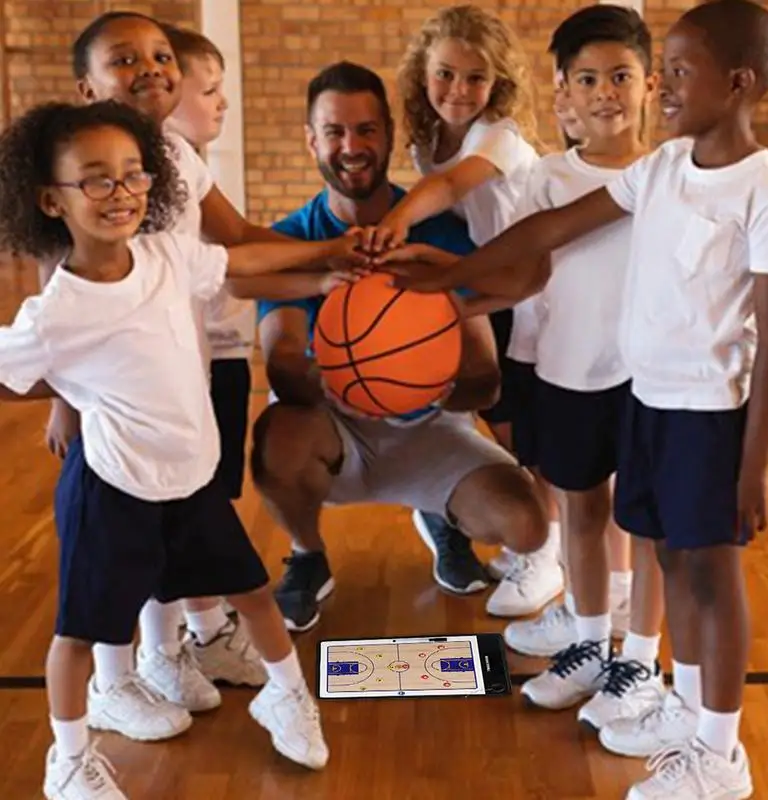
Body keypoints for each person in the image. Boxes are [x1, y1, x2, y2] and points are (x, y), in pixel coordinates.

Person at [392, 2, 768, 797]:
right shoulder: (661, 170)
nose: (665, 86)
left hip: (709, 416)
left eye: (679, 72)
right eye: (668, 70)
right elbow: (547, 234)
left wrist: (753, 470)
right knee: (673, 562)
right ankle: (685, 710)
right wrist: (446, 278)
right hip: (648, 402)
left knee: (712, 578)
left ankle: (721, 756)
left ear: (740, 83)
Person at [0, 101, 360, 797]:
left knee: (254, 593)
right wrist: (60, 392)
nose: (122, 193)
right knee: (82, 634)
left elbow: (240, 259)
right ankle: (69, 758)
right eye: (96, 180)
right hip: (113, 486)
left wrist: (325, 257)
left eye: (134, 175)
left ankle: (286, 697)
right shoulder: (56, 313)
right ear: (51, 199)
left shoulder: (165, 252)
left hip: (189, 478)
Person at [239, 61, 549, 634]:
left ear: (389, 136)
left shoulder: (440, 234)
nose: (351, 146)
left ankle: (442, 518)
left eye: (366, 130)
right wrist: (332, 374)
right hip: (337, 433)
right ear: (311, 140)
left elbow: (484, 379)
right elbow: (282, 363)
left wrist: (431, 377)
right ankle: (308, 556)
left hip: (430, 427)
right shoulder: (289, 239)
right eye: (334, 132)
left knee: (528, 526)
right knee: (278, 436)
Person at [499, 5, 665, 737]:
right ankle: (593, 645)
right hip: (568, 373)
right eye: (589, 79)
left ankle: (644, 657)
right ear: (562, 91)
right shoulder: (543, 179)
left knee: (648, 523)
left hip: (652, 377)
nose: (606, 93)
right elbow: (529, 286)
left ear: (650, 85)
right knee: (584, 513)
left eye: (621, 76)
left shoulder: (671, 175)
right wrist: (524, 376)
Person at [368, 3, 561, 617]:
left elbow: (452, 189)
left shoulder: (496, 136)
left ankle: (547, 556)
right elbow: (456, 213)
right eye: (445, 74)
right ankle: (532, 536)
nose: (458, 89)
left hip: (539, 289)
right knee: (493, 414)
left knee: (526, 432)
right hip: (491, 283)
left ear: (497, 85)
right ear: (423, 74)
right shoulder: (430, 139)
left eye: (475, 78)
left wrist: (397, 220)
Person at [161, 22, 265, 690]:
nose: (221, 103)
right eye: (209, 90)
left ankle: (194, 629)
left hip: (216, 356)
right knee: (181, 508)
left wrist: (329, 253)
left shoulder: (185, 160)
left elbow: (245, 242)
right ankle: (185, 635)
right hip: (171, 373)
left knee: (207, 496)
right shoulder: (159, 156)